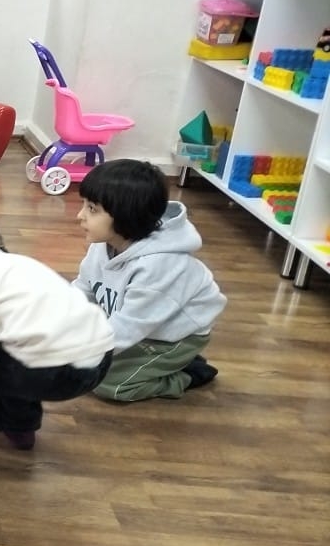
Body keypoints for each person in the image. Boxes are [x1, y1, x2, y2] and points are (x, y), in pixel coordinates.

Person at [0, 198, 115, 478]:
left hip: (59, 370)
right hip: (101, 353)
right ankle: (19, 427)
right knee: (14, 343)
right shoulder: (15, 262)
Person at [73, 160, 226, 401]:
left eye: (92, 209)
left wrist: (75, 350)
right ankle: (160, 363)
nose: (80, 215)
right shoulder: (103, 244)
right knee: (84, 363)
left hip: (174, 337)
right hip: (140, 324)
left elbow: (128, 328)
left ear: (125, 215)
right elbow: (84, 290)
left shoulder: (157, 266)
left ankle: (187, 374)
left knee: (108, 384)